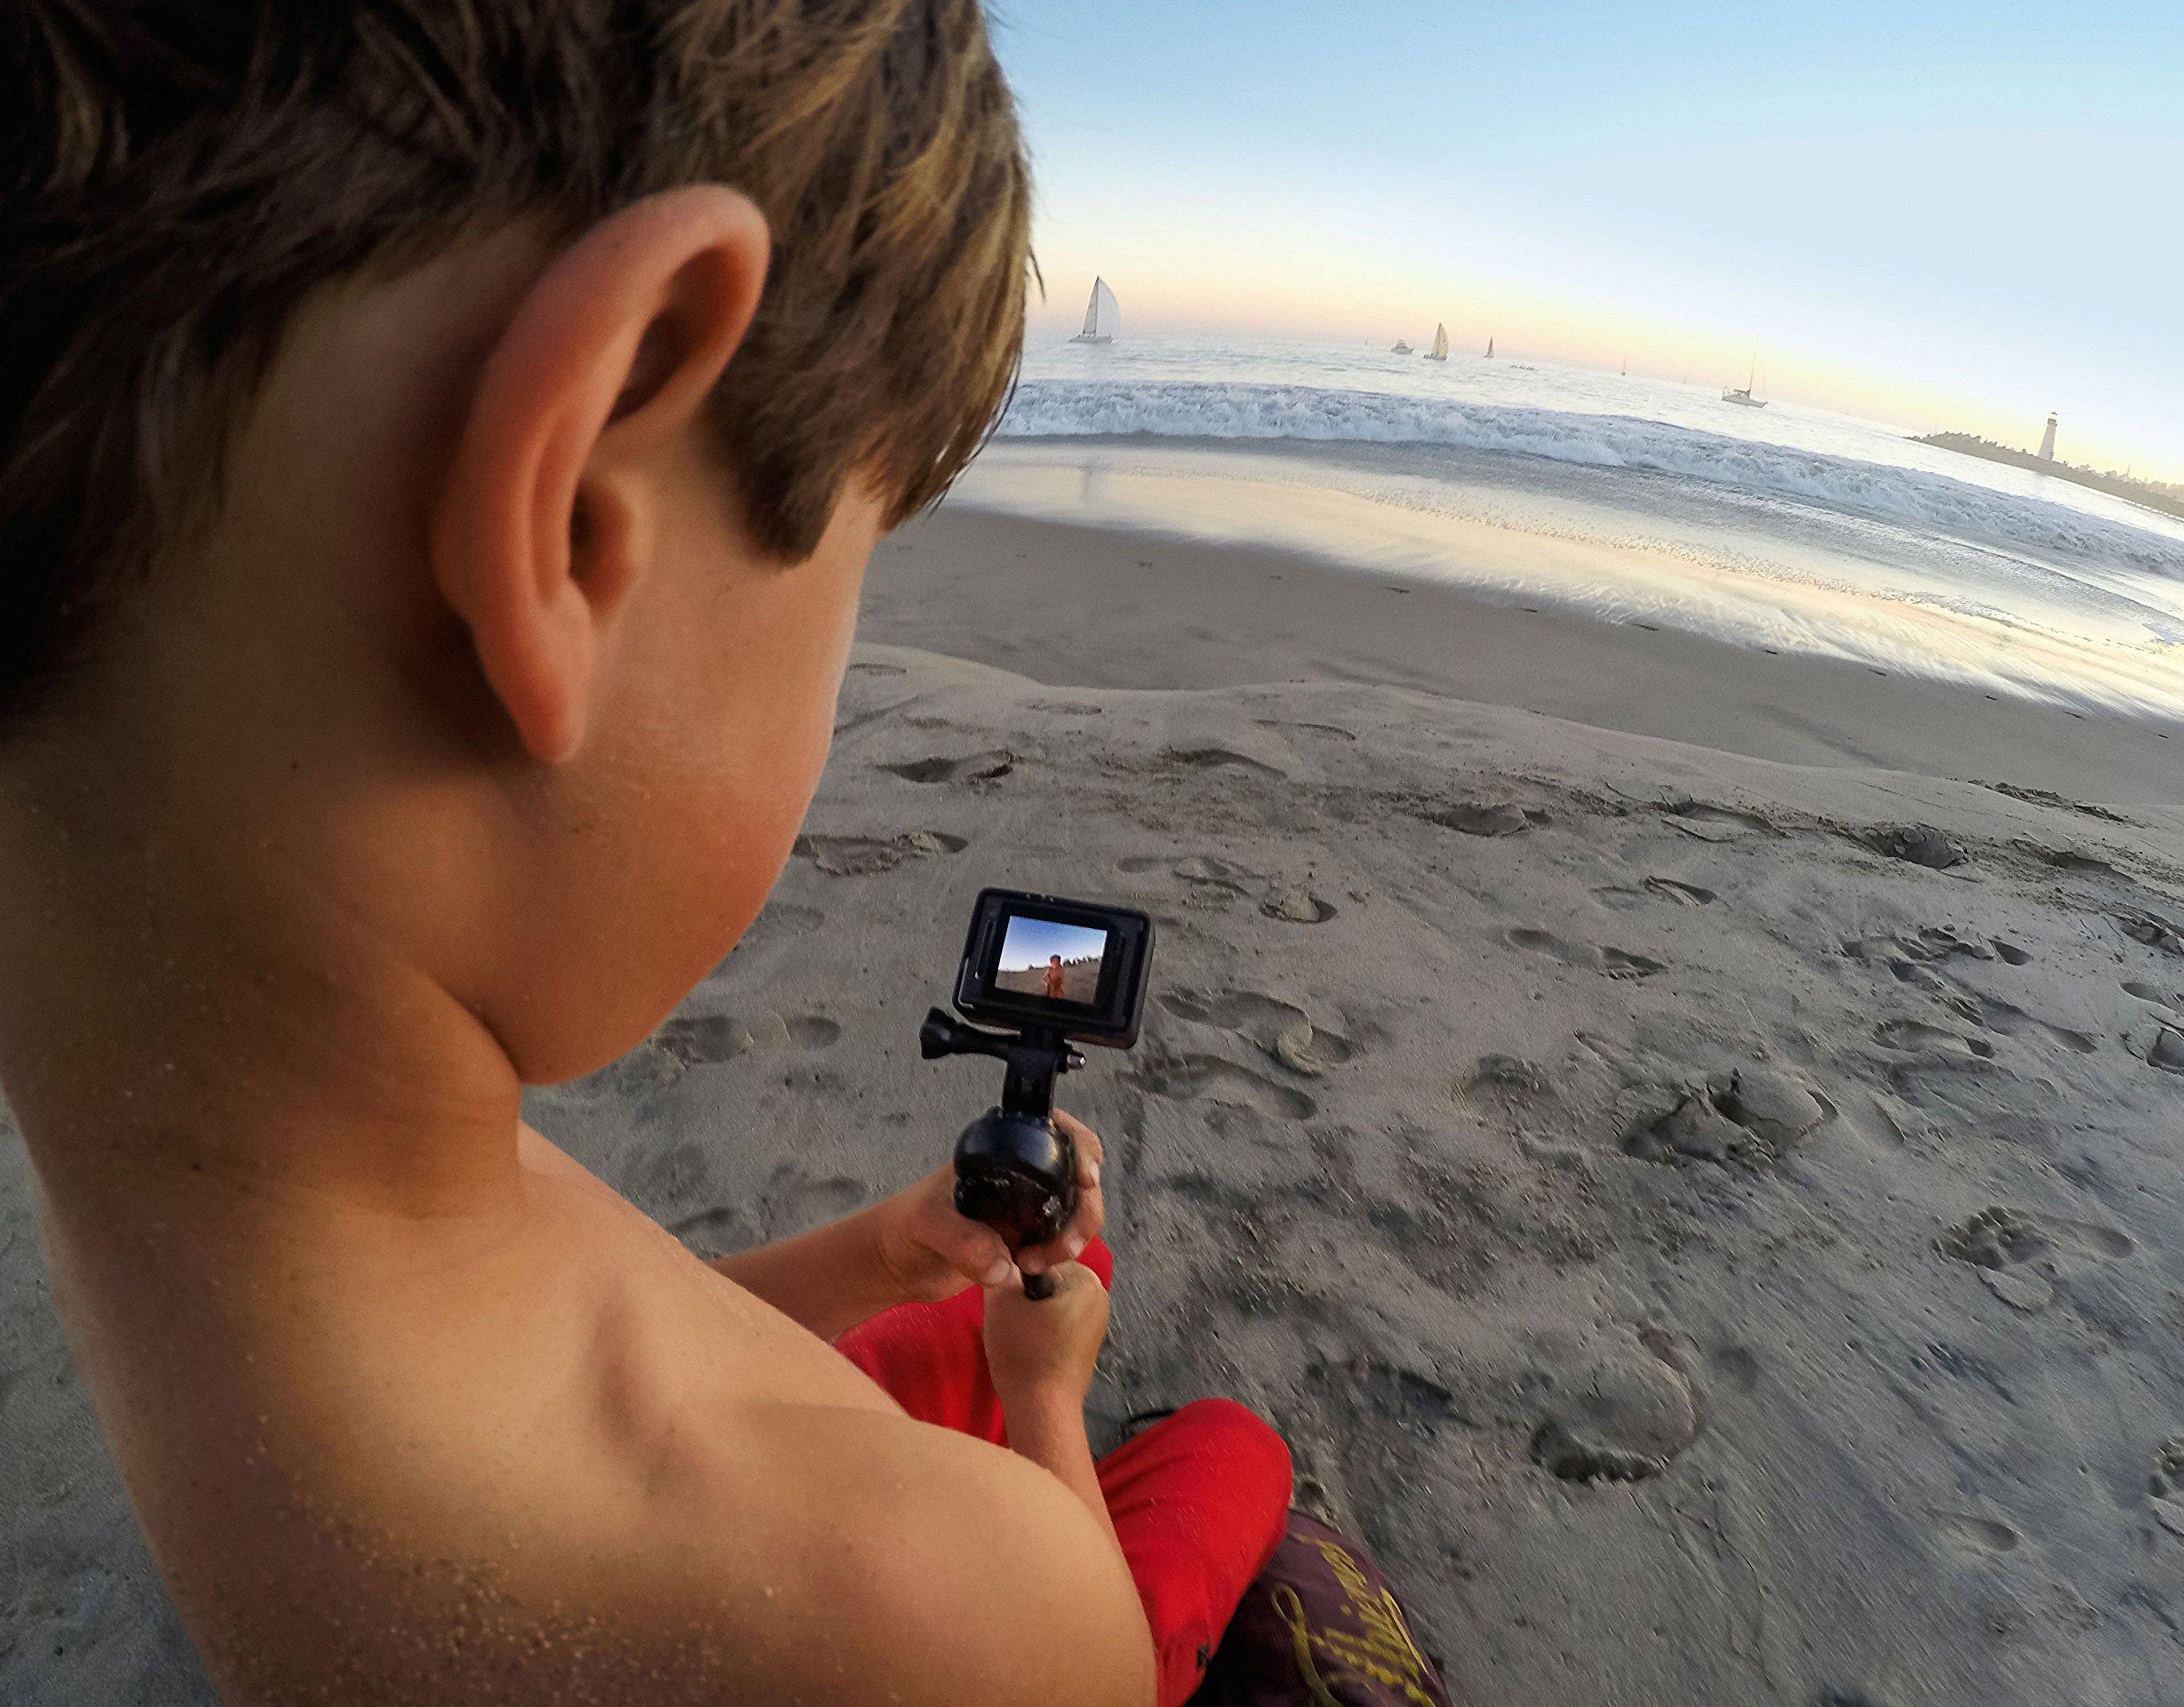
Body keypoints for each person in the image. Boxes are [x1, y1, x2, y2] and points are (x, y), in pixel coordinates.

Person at [0, 7, 1291, 1705]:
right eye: (848, 588)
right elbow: (1083, 1660)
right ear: (573, 522)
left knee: (1014, 1277)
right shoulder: (956, 1612)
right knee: (1224, 1457)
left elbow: (593, 1321)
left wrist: (871, 1256)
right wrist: (1049, 1411)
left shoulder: (267, 1134)